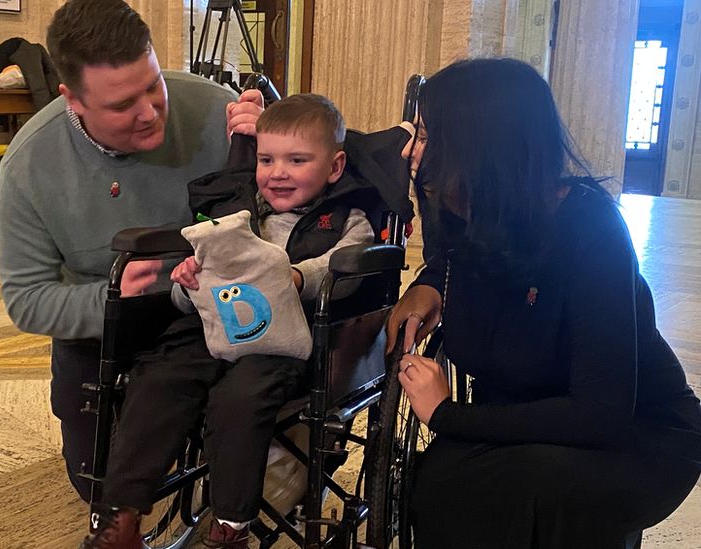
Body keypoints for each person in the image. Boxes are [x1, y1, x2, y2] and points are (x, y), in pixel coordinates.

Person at [386, 58, 701, 548]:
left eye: (425, 135)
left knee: (530, 483)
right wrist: (428, 286)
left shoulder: (590, 229)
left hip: (637, 435)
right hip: (521, 415)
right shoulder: (465, 210)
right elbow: (448, 258)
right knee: (439, 480)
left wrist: (448, 415)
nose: (410, 149)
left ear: (480, 148)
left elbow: (600, 414)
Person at [0, 0, 264, 502]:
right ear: (73, 101)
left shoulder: (215, 109)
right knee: (99, 486)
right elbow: (26, 299)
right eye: (122, 105)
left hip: (215, 311)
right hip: (104, 327)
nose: (149, 112)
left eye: (153, 86)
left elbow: (288, 215)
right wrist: (110, 297)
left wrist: (268, 152)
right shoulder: (30, 166)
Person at [83, 94, 378, 548]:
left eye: (297, 160)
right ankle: (121, 515)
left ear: (334, 167)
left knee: (241, 396)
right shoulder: (234, 214)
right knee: (159, 376)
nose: (277, 172)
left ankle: (231, 527)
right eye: (266, 159)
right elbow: (189, 298)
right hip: (212, 330)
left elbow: (348, 266)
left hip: (283, 341)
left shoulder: (346, 219)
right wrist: (187, 282)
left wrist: (298, 276)